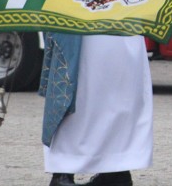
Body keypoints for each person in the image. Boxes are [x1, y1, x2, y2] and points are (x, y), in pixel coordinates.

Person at [40, 33, 153, 186]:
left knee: (114, 93)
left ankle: (114, 170)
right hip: (92, 25)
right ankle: (69, 170)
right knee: (85, 92)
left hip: (119, 25)